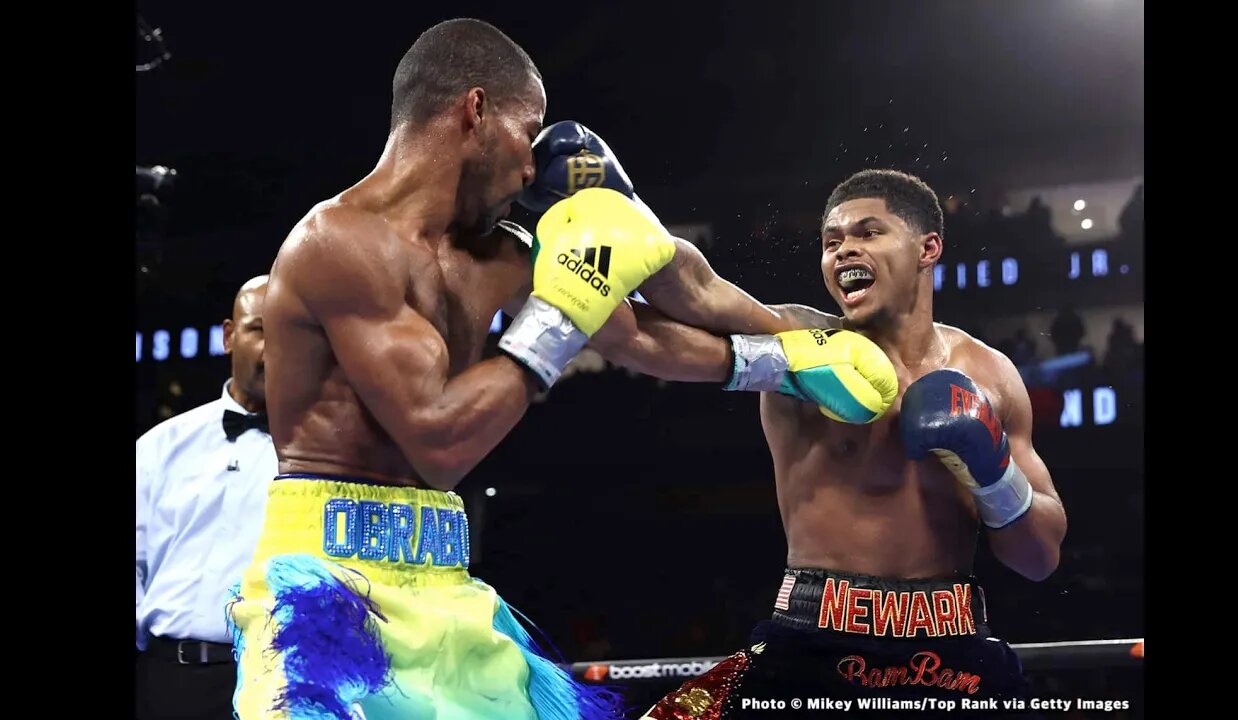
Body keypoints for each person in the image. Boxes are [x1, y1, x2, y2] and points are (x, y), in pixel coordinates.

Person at [226, 20, 897, 720]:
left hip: (446, 585)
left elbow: (652, 316)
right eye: (528, 130)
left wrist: (791, 356)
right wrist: (561, 306)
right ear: (474, 109)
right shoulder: (337, 244)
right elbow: (440, 438)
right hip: (325, 590)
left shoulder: (503, 250)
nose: (531, 165)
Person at [631, 169, 1069, 719]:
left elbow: (1040, 557)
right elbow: (698, 289)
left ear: (928, 247)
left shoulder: (991, 374)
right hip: (813, 642)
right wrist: (621, 209)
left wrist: (992, 470)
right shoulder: (802, 343)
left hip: (953, 651)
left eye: (868, 233)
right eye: (831, 241)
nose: (844, 251)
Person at [136, 275, 274, 720]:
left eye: (293, 331)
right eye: (259, 329)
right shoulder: (161, 445)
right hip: (166, 679)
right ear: (230, 337)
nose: (277, 347)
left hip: (273, 683)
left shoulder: (324, 453)